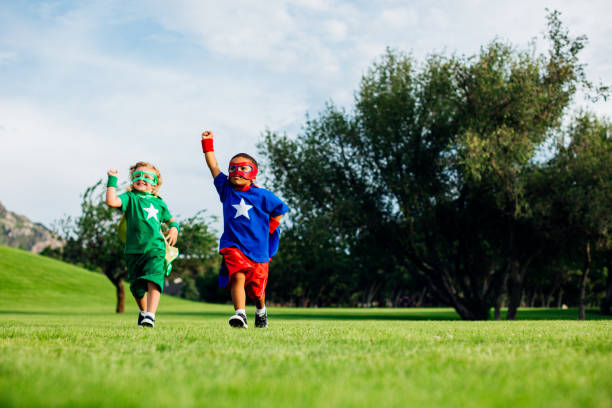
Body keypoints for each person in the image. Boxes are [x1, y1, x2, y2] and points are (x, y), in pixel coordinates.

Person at [201, 130, 289, 328]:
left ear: (253, 174)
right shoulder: (226, 188)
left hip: (258, 250)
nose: (236, 173)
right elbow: (213, 165)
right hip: (233, 245)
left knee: (258, 291)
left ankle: (261, 311)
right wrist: (207, 144)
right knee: (237, 276)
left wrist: (270, 229)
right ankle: (240, 315)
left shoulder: (263, 195)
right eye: (233, 168)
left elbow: (280, 210)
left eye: (243, 168)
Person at [105, 161, 179, 328]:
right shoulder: (130, 198)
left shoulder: (159, 203)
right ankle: (144, 311)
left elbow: (171, 221)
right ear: (132, 180)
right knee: (137, 288)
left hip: (155, 248)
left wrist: (174, 228)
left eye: (147, 177)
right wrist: (112, 180)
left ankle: (150, 316)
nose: (141, 179)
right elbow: (111, 201)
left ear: (155, 184)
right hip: (133, 251)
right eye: (137, 176)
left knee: (154, 279)